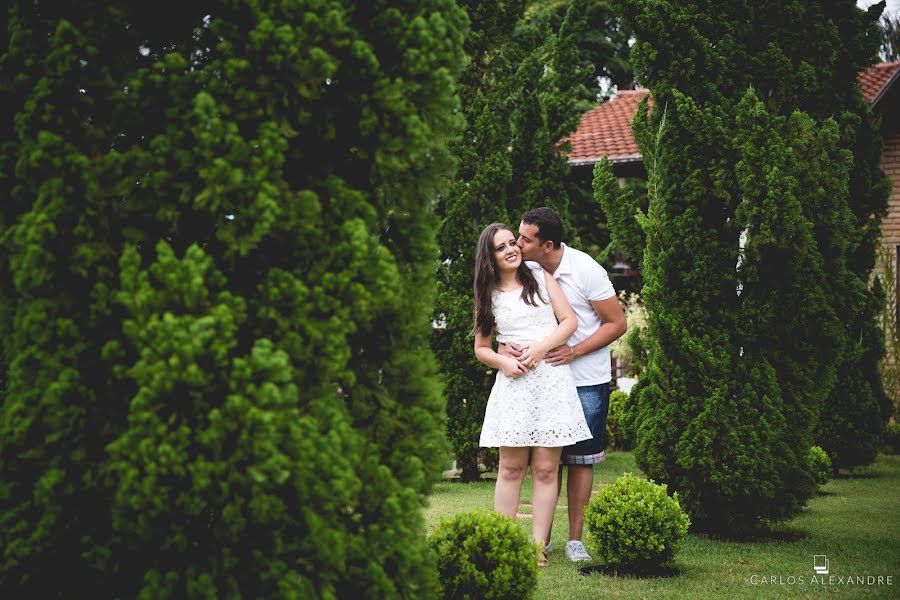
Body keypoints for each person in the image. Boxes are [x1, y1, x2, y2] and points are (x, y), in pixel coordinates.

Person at [505, 207, 627, 562]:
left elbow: (616, 323)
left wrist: (574, 351)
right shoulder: (525, 269)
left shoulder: (587, 270)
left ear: (548, 244)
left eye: (525, 239)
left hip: (586, 381)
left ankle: (575, 540)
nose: (518, 243)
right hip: (542, 381)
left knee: (581, 459)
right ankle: (540, 540)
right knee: (546, 462)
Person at [473, 223, 592, 568]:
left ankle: (537, 547)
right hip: (514, 385)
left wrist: (540, 349)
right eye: (501, 247)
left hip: (551, 381)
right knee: (510, 468)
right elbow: (481, 348)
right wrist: (502, 361)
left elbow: (568, 321)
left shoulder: (540, 278)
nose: (511, 249)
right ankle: (503, 541)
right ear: (489, 256)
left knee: (544, 468)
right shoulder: (488, 294)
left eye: (513, 242)